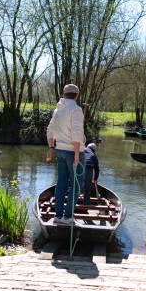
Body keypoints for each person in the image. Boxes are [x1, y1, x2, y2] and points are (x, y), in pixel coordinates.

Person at [46, 84, 86, 226]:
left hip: (60, 151)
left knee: (61, 183)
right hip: (73, 151)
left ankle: (58, 216)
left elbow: (50, 129)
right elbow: (76, 133)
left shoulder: (57, 110)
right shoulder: (76, 110)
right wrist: (77, 154)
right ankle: (68, 217)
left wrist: (51, 147)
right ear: (76, 96)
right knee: (76, 184)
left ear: (64, 94)